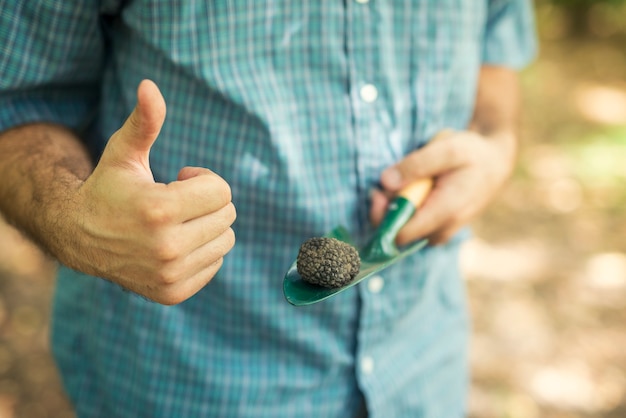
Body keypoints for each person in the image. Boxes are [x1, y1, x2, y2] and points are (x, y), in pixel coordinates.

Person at [0, 1, 536, 417]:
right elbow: (16, 102)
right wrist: (80, 221)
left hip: (423, 365)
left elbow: (497, 58)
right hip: (191, 380)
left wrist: (494, 144)